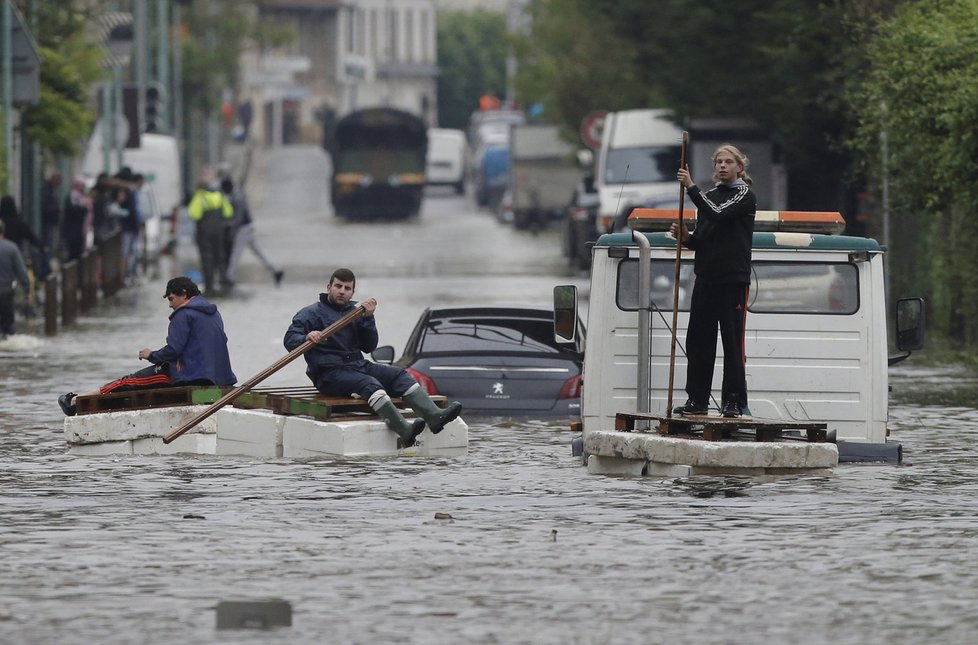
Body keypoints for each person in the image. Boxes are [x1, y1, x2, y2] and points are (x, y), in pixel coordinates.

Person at [284, 268, 462, 447]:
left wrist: (369, 319)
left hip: (357, 365)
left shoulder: (356, 313)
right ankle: (404, 430)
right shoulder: (309, 313)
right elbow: (289, 340)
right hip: (328, 374)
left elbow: (369, 347)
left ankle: (434, 416)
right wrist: (307, 337)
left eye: (347, 288)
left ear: (352, 292)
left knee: (399, 374)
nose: (342, 291)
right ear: (329, 287)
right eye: (338, 286)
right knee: (369, 383)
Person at [57, 276, 237, 416]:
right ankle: (78, 398)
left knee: (128, 382)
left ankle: (75, 401)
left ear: (184, 293)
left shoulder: (183, 314)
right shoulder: (214, 313)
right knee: (131, 381)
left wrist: (151, 355)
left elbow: (174, 350)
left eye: (172, 299)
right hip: (219, 378)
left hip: (188, 376)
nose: (170, 305)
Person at [670, 144, 756, 418]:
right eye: (718, 161)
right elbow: (702, 239)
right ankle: (697, 398)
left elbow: (719, 214)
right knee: (698, 340)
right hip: (705, 278)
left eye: (728, 161)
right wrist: (686, 238)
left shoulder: (744, 195)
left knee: (731, 342)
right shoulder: (707, 197)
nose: (722, 166)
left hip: (732, 280)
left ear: (739, 167)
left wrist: (691, 187)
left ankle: (733, 400)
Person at [221, 177, 284, 287]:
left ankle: (230, 278)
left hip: (242, 228)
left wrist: (231, 231)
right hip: (248, 226)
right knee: (259, 252)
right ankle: (276, 270)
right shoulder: (238, 193)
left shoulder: (236, 197)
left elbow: (238, 218)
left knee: (236, 254)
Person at [187, 179, 234, 295]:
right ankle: (224, 284)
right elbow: (229, 213)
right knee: (220, 257)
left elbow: (193, 214)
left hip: (204, 233)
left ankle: (209, 287)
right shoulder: (220, 196)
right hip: (219, 232)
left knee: (207, 259)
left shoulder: (199, 197)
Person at [0, 220, 33, 339]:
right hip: (7, 291)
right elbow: (22, 272)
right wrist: (27, 291)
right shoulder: (12, 248)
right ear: (3, 231)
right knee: (8, 326)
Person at [62, 176, 91, 262]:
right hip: (73, 230)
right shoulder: (73, 196)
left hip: (80, 228)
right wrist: (83, 207)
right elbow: (74, 210)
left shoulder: (82, 196)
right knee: (73, 253)